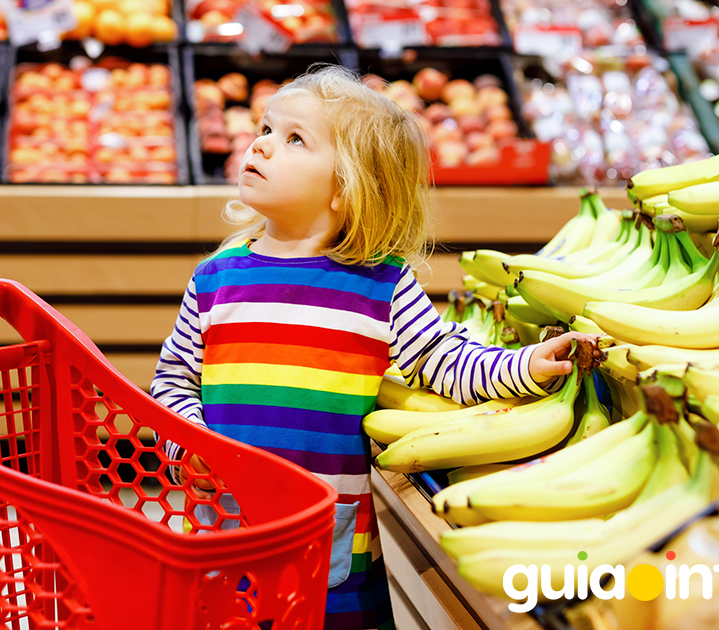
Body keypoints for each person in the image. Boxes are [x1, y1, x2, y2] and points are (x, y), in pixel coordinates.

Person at [151, 65, 597, 630]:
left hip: (330, 551)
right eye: (265, 129)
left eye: (293, 139)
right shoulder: (215, 278)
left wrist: (526, 365)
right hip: (221, 530)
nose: (260, 144)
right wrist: (191, 442)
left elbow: (444, 360)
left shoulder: (380, 287)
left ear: (346, 187)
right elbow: (174, 382)